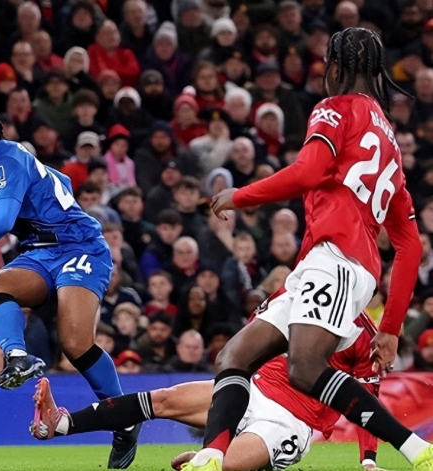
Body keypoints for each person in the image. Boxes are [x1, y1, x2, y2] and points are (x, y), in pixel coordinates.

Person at [203, 27, 432, 471]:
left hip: (336, 259)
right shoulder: (389, 143)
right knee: (233, 356)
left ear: (337, 67)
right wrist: (391, 328)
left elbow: (308, 172)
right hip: (327, 266)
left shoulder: (334, 108)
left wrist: (240, 195)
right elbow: (410, 244)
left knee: (305, 368)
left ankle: (415, 450)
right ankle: (210, 458)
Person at [0, 107, 140, 468]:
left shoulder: (3, 161)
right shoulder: (12, 158)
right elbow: (59, 180)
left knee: (75, 343)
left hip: (80, 248)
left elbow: (1, 221)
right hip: (41, 251)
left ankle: (125, 419)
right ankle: (17, 357)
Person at [30, 312, 384, 471]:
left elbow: (369, 401)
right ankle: (60, 424)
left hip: (291, 422)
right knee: (164, 399)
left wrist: (368, 461)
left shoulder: (365, 337)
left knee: (223, 466)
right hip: (254, 389)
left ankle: (212, 455)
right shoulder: (296, 299)